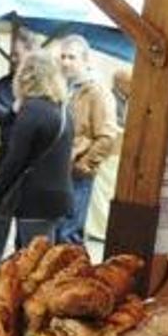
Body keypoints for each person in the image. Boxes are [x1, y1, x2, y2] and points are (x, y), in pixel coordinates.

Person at [0, 50, 73, 247]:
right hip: (59, 196)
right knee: (39, 260)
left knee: (34, 265)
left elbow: (15, 160)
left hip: (35, 199)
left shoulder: (32, 109)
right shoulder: (63, 109)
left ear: (25, 75)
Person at [0, 26, 38, 272]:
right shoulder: (2, 86)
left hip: (31, 165)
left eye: (18, 55)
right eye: (12, 55)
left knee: (25, 220)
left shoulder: (39, 91)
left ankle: (18, 265)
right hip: (7, 158)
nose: (14, 59)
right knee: (0, 215)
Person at [55, 34, 118, 245]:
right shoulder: (64, 88)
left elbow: (108, 136)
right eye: (62, 57)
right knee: (57, 234)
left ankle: (74, 279)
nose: (65, 62)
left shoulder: (96, 91)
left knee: (68, 235)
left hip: (76, 173)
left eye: (71, 57)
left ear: (85, 60)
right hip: (58, 170)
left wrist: (83, 165)